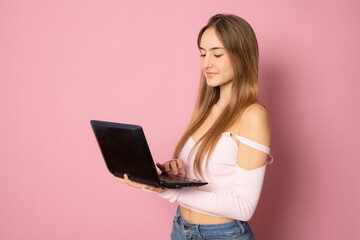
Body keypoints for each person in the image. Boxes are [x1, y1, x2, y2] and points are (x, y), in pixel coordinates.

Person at [116, 13, 273, 240]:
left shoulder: (252, 116)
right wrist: (177, 175)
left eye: (217, 54)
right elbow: (212, 174)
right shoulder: (208, 108)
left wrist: (169, 192)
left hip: (223, 235)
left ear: (242, 56)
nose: (206, 63)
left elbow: (244, 207)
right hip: (182, 229)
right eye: (202, 53)